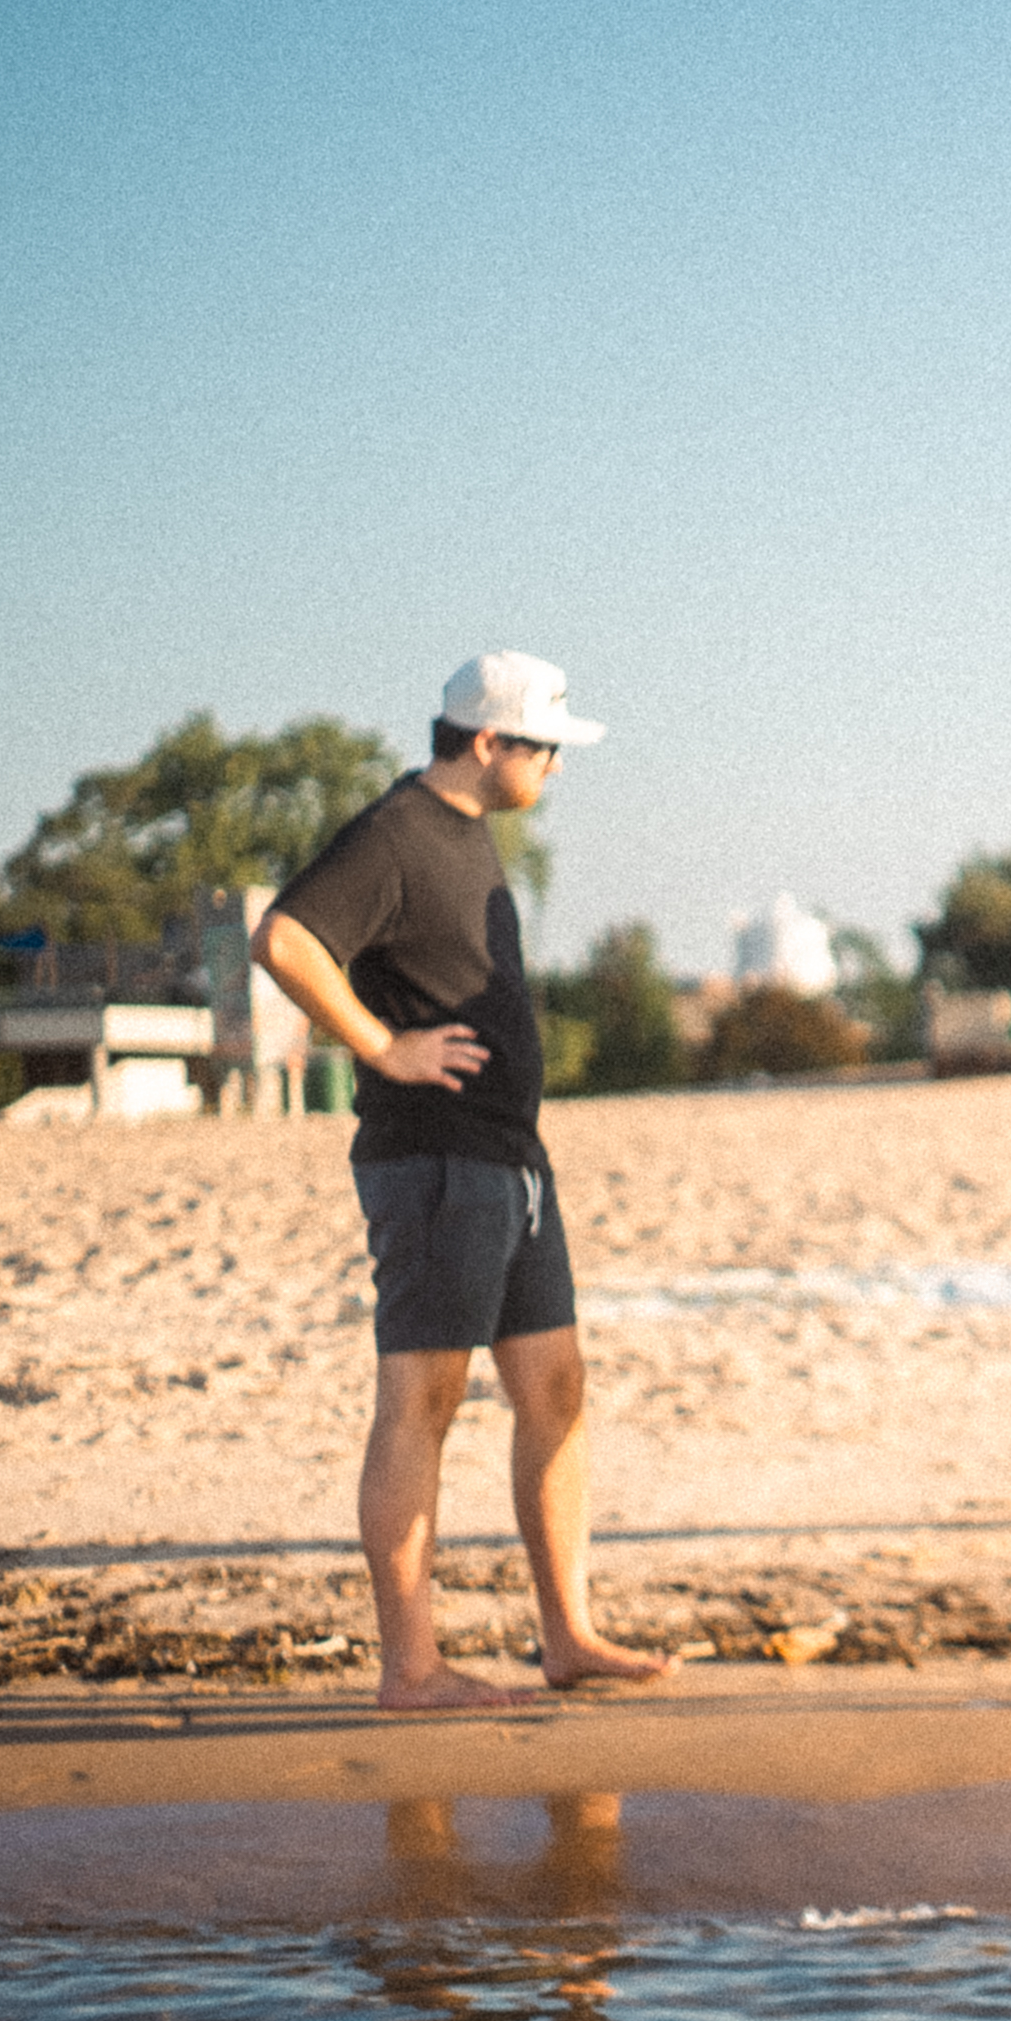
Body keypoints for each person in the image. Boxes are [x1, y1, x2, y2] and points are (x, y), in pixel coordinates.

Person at [255, 652, 675, 1711]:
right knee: (423, 1400)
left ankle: (567, 1636)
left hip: (507, 1159)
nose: (554, 770)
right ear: (485, 742)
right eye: (543, 749)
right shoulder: (394, 833)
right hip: (434, 1161)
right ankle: (412, 1667)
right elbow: (286, 938)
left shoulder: (469, 835)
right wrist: (380, 1044)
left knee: (556, 1390)